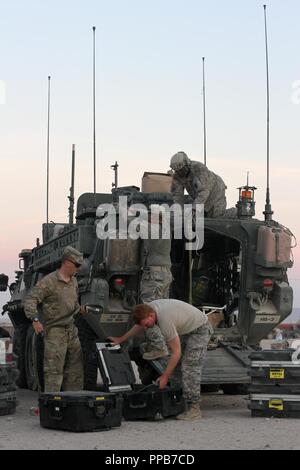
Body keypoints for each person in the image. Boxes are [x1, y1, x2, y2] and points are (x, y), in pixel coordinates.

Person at [109, 299, 213, 421]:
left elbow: (176, 352)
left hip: (200, 330)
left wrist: (164, 376)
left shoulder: (165, 320)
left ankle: (194, 409)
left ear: (151, 315)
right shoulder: (148, 310)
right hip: (187, 330)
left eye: (146, 325)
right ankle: (179, 403)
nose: (145, 328)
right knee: (176, 368)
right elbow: (138, 326)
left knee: (189, 367)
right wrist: (121, 339)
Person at [24, 246, 84, 392]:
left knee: (75, 372)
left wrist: (81, 310)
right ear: (67, 263)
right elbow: (30, 300)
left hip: (71, 331)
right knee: (53, 372)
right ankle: (53, 406)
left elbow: (74, 304)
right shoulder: (49, 282)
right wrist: (35, 320)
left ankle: (72, 405)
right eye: (77, 265)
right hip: (55, 333)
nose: (79, 269)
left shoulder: (74, 282)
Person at [139, 208, 173, 361]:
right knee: (161, 313)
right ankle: (164, 344)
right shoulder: (165, 230)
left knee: (146, 313)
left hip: (154, 276)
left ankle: (159, 347)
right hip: (165, 274)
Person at [170, 151, 227, 217]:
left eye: (182, 170)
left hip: (216, 191)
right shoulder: (177, 176)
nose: (180, 173)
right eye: (177, 171)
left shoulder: (199, 169)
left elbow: (203, 191)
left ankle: (233, 212)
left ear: (186, 164)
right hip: (200, 194)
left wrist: (194, 209)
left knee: (214, 217)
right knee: (200, 217)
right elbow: (178, 196)